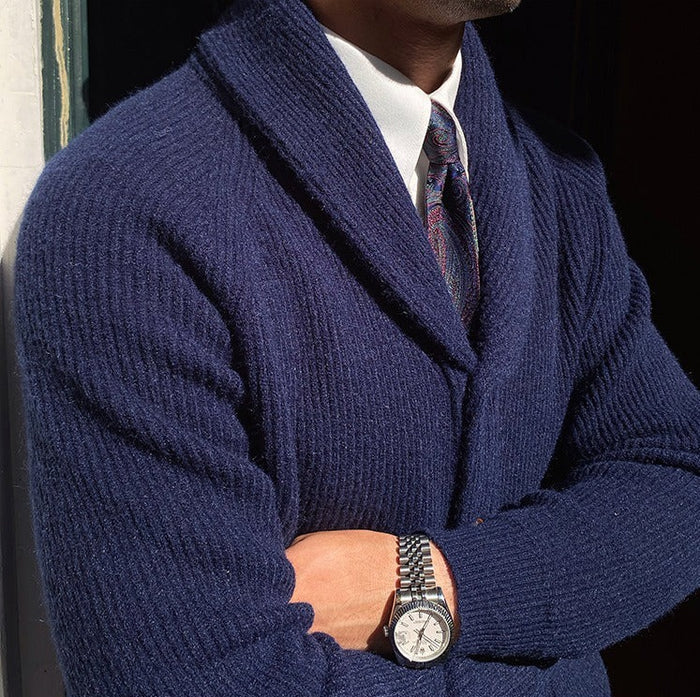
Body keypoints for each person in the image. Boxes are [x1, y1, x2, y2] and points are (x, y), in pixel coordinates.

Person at [14, 0, 699, 695]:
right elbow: (197, 674)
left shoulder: (560, 181)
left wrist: (430, 581)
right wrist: (564, 653)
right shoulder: (123, 216)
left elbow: (677, 473)